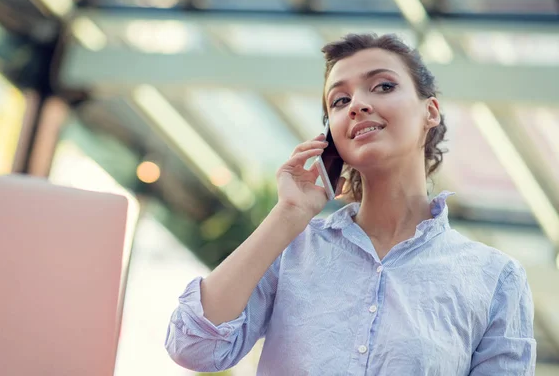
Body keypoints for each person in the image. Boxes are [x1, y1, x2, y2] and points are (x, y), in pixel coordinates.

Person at [164, 33, 536, 375]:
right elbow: (194, 347)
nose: (357, 104)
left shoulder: (495, 278)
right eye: (340, 101)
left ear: (431, 112)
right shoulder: (292, 250)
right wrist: (288, 215)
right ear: (331, 136)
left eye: (383, 86)